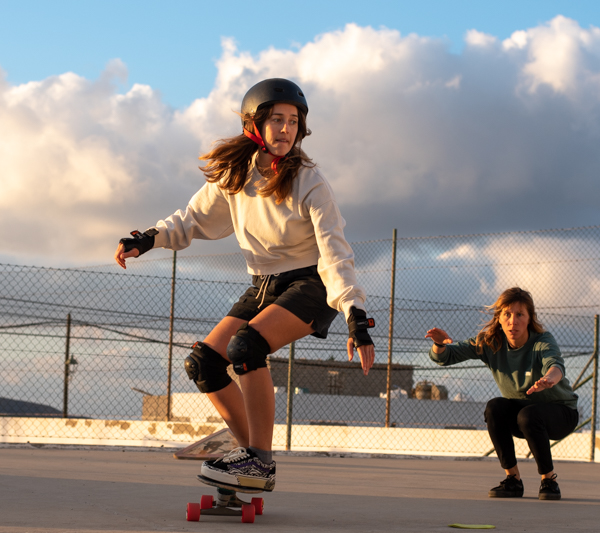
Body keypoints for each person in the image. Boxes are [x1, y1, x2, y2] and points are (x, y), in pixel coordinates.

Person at [114, 78, 375, 496]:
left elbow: (335, 252)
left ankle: (259, 460)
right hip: (262, 285)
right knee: (204, 363)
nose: (286, 129)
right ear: (255, 124)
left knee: (246, 347)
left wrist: (354, 313)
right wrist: (149, 238)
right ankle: (248, 451)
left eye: (293, 121)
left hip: (311, 284)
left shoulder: (310, 181)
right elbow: (192, 219)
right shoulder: (236, 174)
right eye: (277, 120)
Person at [425, 287, 578, 501]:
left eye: (519, 315)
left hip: (561, 414)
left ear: (529, 318)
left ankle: (549, 481)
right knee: (495, 407)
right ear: (498, 318)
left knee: (530, 415)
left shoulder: (542, 340)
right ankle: (513, 480)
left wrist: (550, 379)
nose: (513, 321)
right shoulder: (490, 342)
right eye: (507, 314)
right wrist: (439, 344)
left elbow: (554, 364)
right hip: (523, 414)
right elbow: (445, 356)